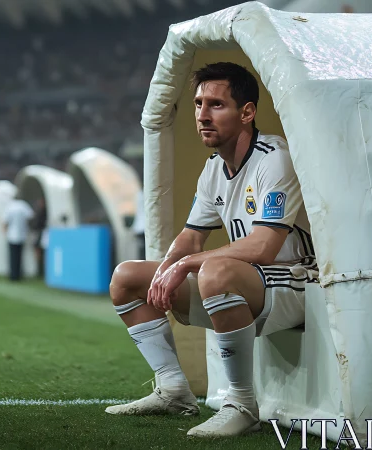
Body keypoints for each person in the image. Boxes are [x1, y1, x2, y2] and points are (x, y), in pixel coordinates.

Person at [106, 63, 317, 438]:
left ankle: (241, 404)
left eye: (216, 105)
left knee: (215, 272)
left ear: (247, 112)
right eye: (199, 103)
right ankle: (172, 388)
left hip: (298, 283)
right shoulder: (214, 168)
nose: (202, 115)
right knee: (128, 277)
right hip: (254, 286)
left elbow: (265, 246)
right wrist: (169, 266)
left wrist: (186, 264)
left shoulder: (275, 158)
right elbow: (190, 236)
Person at [2, 198, 34, 281]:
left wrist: (5, 232)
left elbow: (5, 221)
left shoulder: (10, 207)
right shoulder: (23, 205)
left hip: (11, 235)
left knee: (12, 256)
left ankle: (13, 275)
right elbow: (30, 217)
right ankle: (18, 275)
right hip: (22, 234)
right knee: (19, 256)